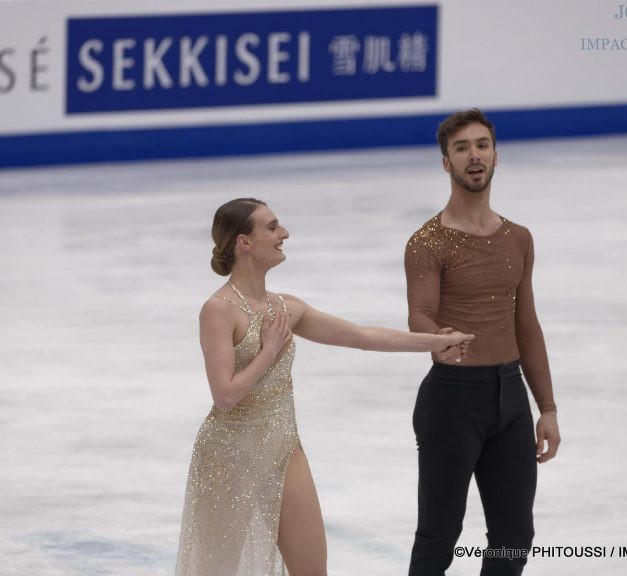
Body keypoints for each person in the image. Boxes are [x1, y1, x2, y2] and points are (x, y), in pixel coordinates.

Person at [174, 198, 473, 576]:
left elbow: (362, 336)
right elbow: (226, 395)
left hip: (283, 448)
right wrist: (268, 351)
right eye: (271, 227)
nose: (284, 234)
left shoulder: (287, 307)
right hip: (228, 455)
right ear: (243, 242)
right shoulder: (218, 310)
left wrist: (434, 343)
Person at [404, 109, 561, 575]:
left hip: (510, 398)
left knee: (515, 536)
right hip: (452, 400)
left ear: (495, 155)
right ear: (446, 163)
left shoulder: (518, 238)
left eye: (482, 145)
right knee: (438, 537)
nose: (474, 156)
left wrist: (546, 407)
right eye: (461, 148)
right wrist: (436, 338)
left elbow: (527, 326)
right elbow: (419, 312)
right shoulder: (427, 242)